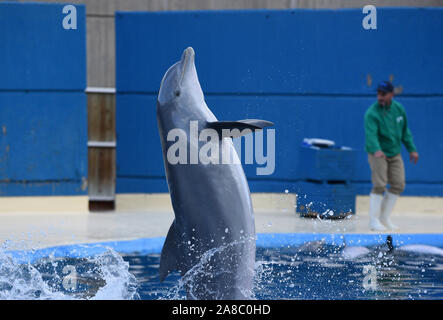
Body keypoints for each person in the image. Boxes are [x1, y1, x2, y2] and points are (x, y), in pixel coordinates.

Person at [364, 81, 419, 231]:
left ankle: (384, 217)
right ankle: (373, 220)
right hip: (378, 153)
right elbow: (371, 135)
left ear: (391, 94)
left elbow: (405, 131)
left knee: (398, 184)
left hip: (394, 153)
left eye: (383, 94)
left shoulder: (398, 109)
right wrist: (376, 149)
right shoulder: (372, 113)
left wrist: (411, 149)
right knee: (380, 184)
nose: (380, 97)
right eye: (378, 93)